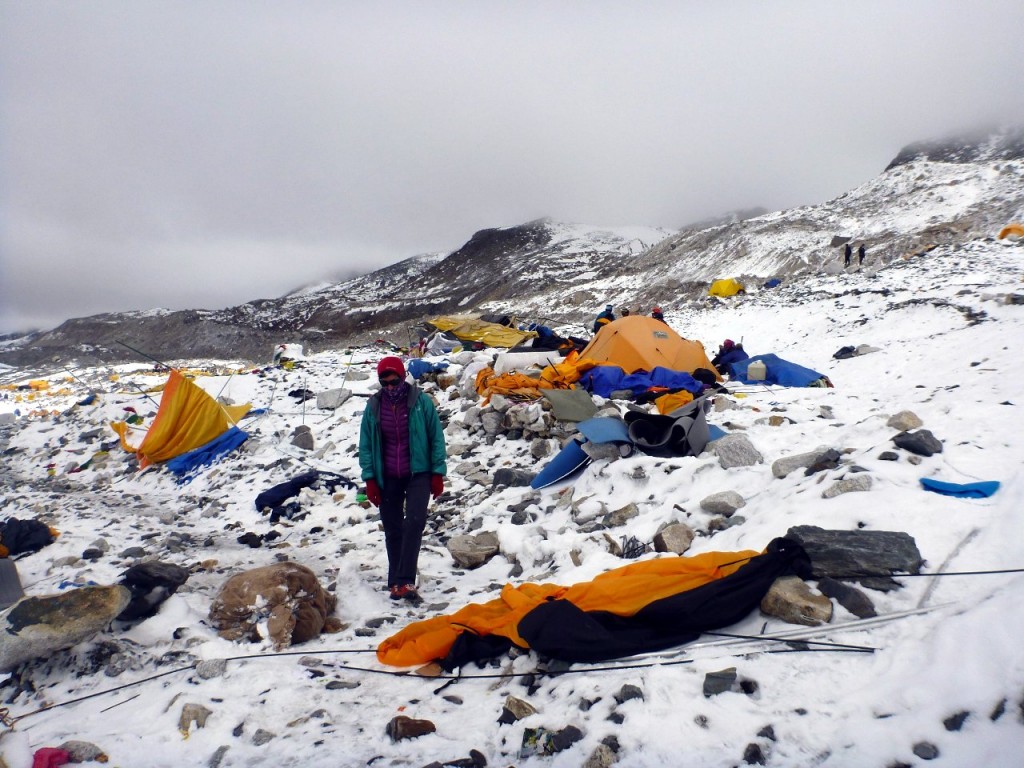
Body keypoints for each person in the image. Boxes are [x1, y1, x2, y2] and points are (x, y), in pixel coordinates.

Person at [358, 356, 447, 602]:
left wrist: (438, 472)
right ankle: (395, 581)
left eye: (393, 380)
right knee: (393, 528)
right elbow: (365, 444)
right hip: (387, 475)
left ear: (401, 376)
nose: (389, 386)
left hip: (418, 472)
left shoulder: (421, 402)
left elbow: (436, 437)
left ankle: (405, 579)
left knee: (415, 522)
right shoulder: (374, 406)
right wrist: (370, 479)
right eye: (383, 382)